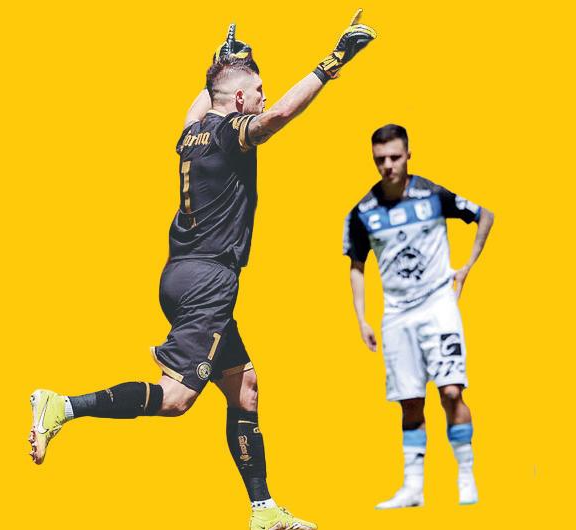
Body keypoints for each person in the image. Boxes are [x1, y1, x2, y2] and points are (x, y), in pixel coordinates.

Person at [29, 14, 375, 530]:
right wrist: (332, 63)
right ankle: (62, 406)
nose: (264, 95)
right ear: (239, 99)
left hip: (179, 275)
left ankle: (263, 510)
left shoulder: (193, 132)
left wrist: (222, 60)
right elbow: (277, 116)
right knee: (175, 400)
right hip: (210, 281)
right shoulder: (234, 132)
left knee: (244, 386)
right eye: (257, 89)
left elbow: (206, 99)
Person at [343, 124, 494, 509]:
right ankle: (412, 487)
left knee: (451, 392)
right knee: (409, 401)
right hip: (397, 315)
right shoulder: (363, 212)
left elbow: (485, 215)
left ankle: (465, 475)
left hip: (438, 306)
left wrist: (467, 267)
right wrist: (361, 318)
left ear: (408, 155)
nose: (388, 165)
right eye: (380, 159)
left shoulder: (432, 196)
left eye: (395, 157)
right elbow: (357, 265)